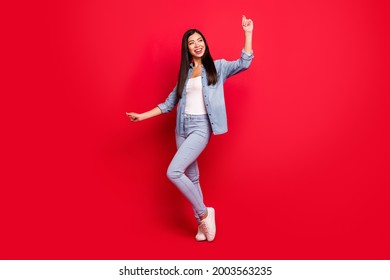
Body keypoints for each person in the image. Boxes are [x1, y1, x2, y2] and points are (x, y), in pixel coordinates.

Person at [126, 15, 254, 242]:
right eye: (192, 42)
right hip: (181, 128)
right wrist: (141, 116)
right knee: (192, 177)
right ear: (187, 48)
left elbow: (244, 63)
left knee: (173, 172)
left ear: (205, 43)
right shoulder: (184, 76)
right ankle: (202, 225)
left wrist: (247, 33)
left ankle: (205, 213)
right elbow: (168, 104)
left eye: (200, 40)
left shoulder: (218, 67)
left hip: (200, 128)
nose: (197, 44)